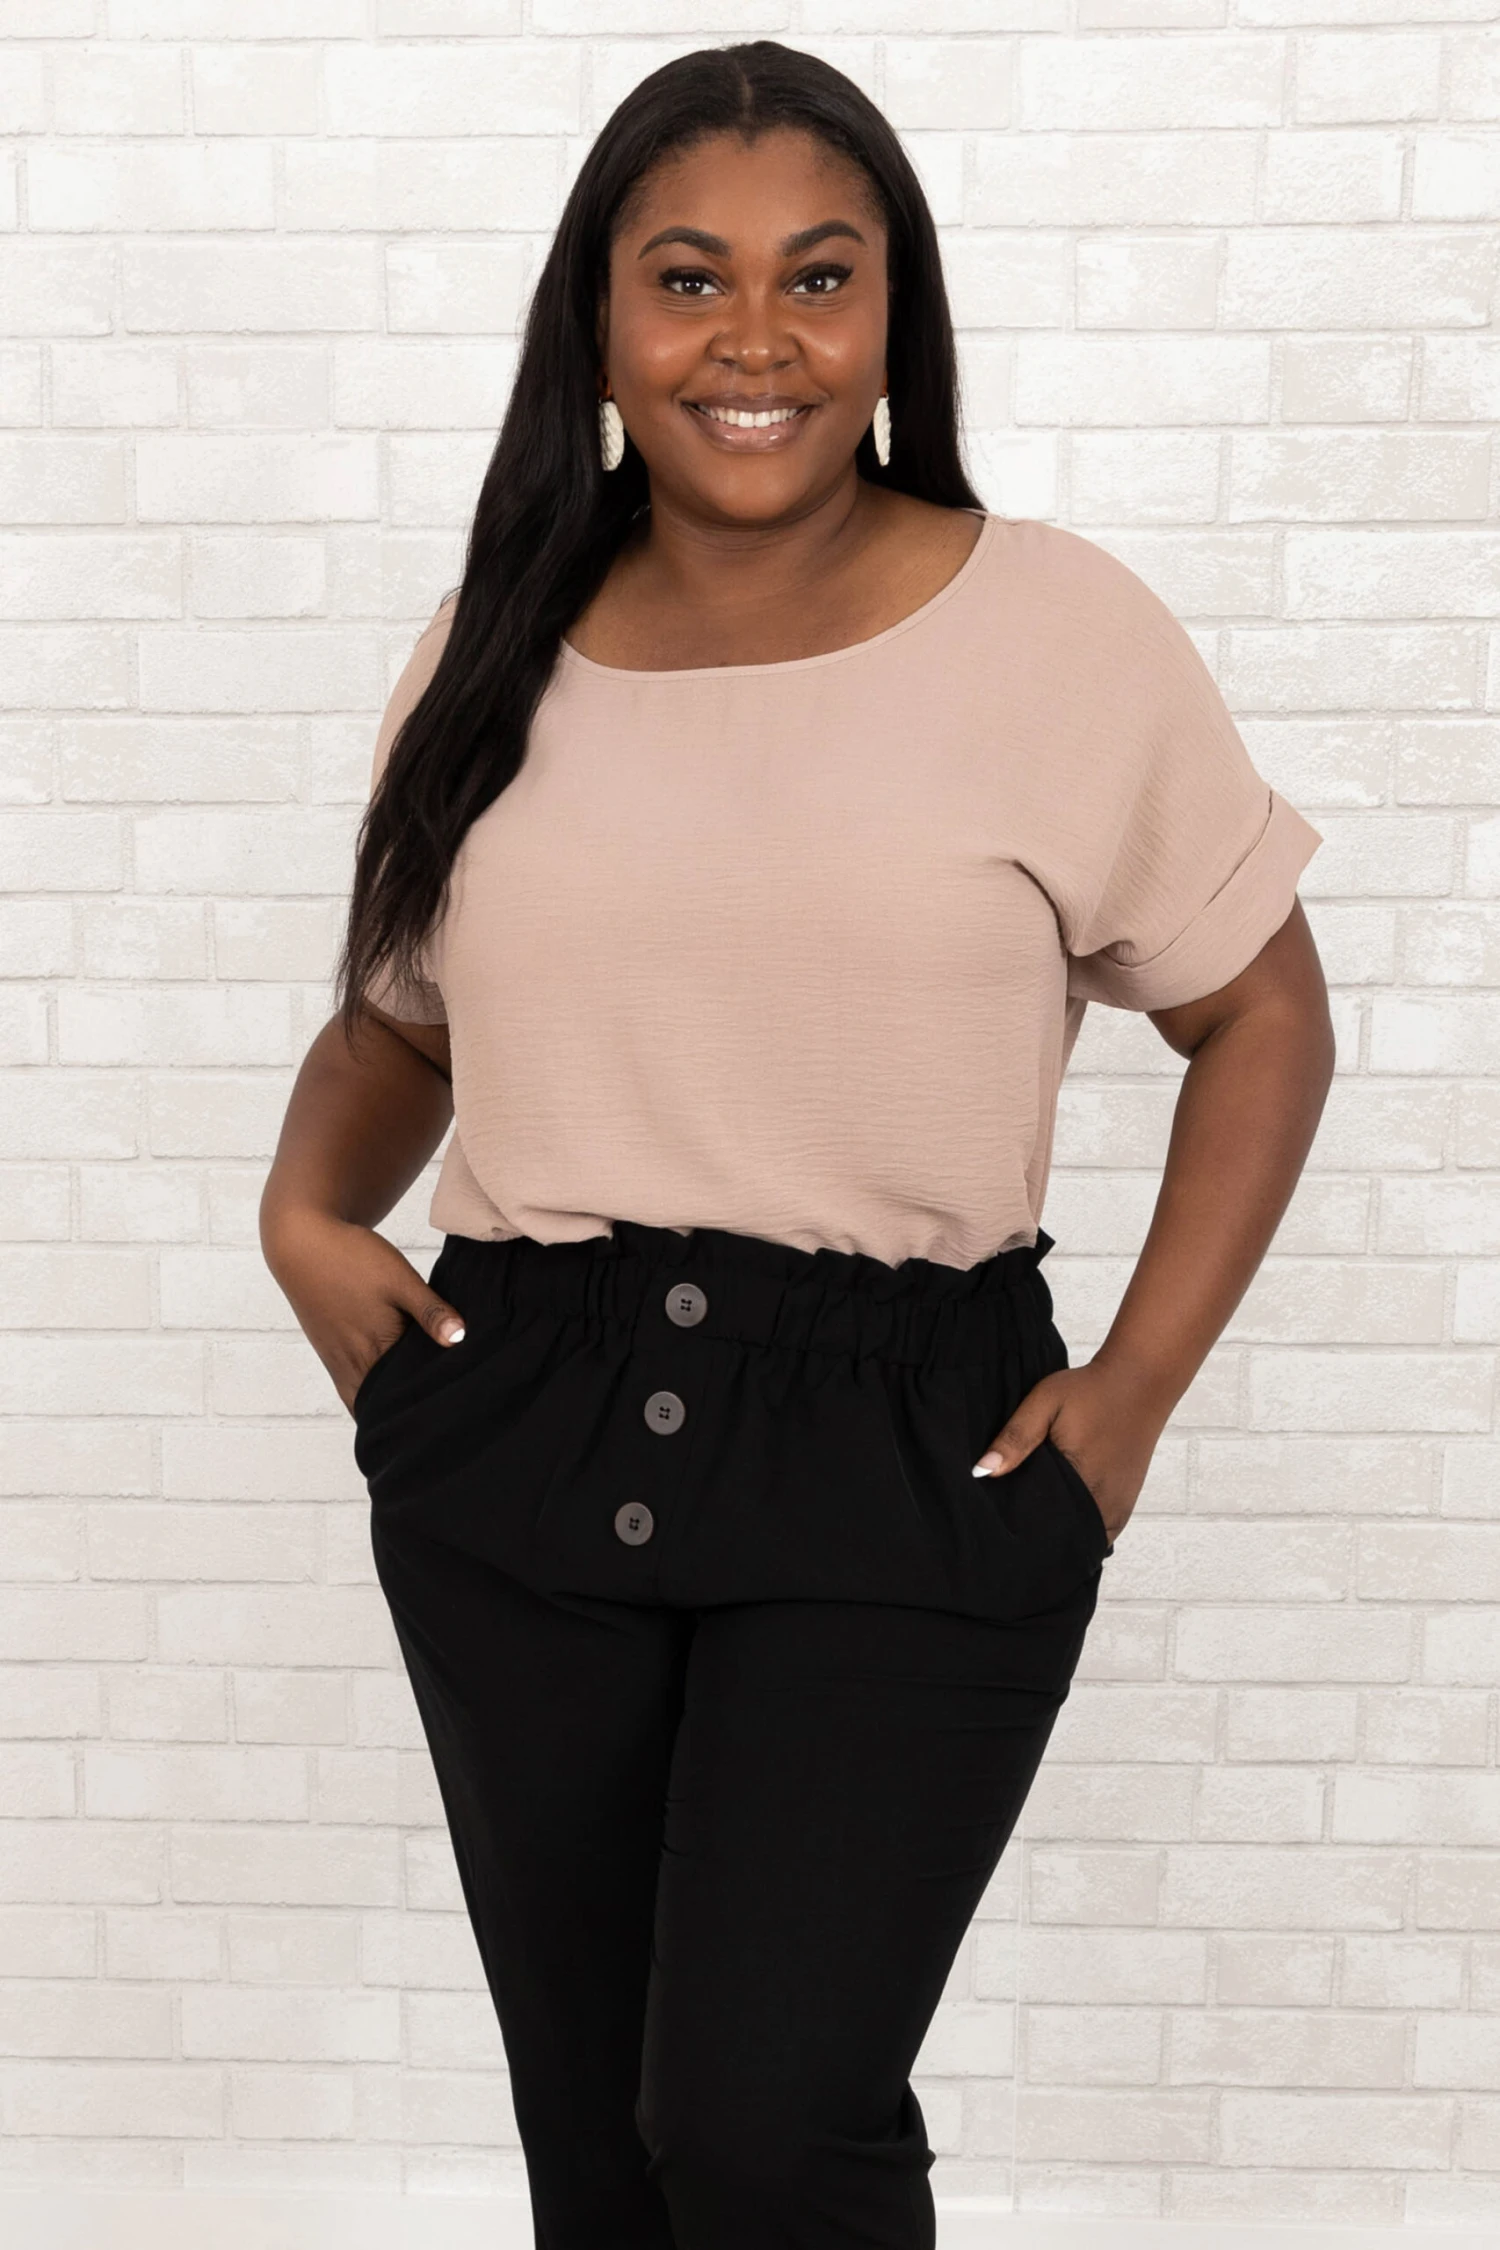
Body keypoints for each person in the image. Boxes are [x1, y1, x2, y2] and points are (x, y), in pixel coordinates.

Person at [259, 38, 1334, 2249]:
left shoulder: (1061, 631)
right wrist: (299, 1210)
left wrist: (1133, 1394)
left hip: (908, 1446)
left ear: (891, 322)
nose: (753, 339)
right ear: (597, 327)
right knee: (603, 2158)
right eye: (689, 279)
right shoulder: (491, 648)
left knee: (764, 2131)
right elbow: (405, 1016)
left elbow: (1263, 1018)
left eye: (818, 279)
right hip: (528, 1425)